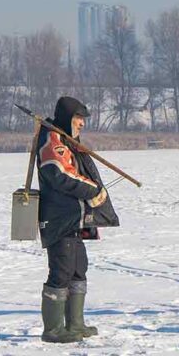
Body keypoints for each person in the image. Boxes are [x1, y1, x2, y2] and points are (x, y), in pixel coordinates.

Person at [34, 97, 118, 343]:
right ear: (66, 118)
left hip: (75, 220)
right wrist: (93, 190)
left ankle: (75, 324)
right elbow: (61, 174)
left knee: (78, 268)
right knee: (61, 271)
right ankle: (53, 329)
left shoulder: (67, 140)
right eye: (78, 118)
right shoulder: (52, 140)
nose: (82, 123)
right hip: (59, 219)